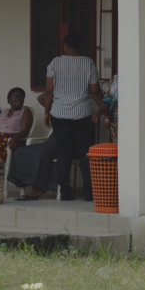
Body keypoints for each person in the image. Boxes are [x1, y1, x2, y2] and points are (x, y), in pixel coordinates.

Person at [41, 32, 106, 202]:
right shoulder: (88, 63)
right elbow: (95, 91)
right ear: (80, 47)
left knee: (64, 153)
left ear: (65, 46)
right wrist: (104, 108)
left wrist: (46, 112)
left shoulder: (54, 63)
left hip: (59, 114)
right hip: (82, 115)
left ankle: (65, 192)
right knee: (85, 153)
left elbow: (49, 92)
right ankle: (89, 193)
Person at [9, 93, 59, 200]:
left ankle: (39, 188)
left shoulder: (74, 110)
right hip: (51, 141)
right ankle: (31, 185)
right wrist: (58, 88)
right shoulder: (57, 108)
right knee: (21, 151)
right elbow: (40, 98)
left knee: (42, 152)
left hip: (64, 141)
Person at [0, 88, 34, 163]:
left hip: (12, 142)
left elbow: (25, 130)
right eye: (16, 96)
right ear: (8, 100)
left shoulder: (25, 112)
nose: (19, 99)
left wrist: (16, 137)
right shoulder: (4, 112)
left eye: (21, 97)